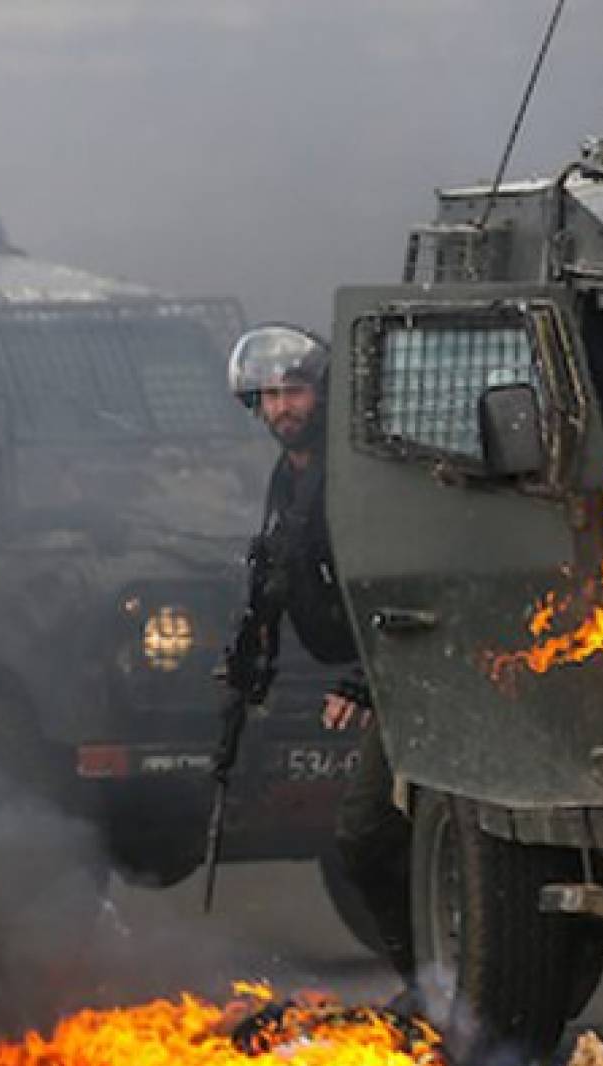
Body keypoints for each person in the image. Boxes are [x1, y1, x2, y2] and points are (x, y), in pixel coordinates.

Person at [226, 324, 417, 1005]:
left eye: (295, 392)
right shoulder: (289, 478)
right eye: (270, 396)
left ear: (323, 393)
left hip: (411, 671)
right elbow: (280, 571)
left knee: (364, 833)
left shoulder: (354, 471)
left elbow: (403, 574)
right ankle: (441, 983)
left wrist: (364, 680)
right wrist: (254, 654)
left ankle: (437, 982)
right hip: (374, 674)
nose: (283, 409)